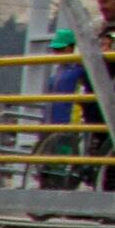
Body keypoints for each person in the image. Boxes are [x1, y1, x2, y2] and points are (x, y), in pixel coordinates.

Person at [39, 27, 91, 189]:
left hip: (69, 123)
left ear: (71, 47)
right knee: (50, 162)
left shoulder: (80, 70)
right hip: (51, 124)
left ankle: (65, 190)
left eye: (61, 49)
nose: (57, 53)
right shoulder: (57, 73)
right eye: (55, 50)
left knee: (65, 161)